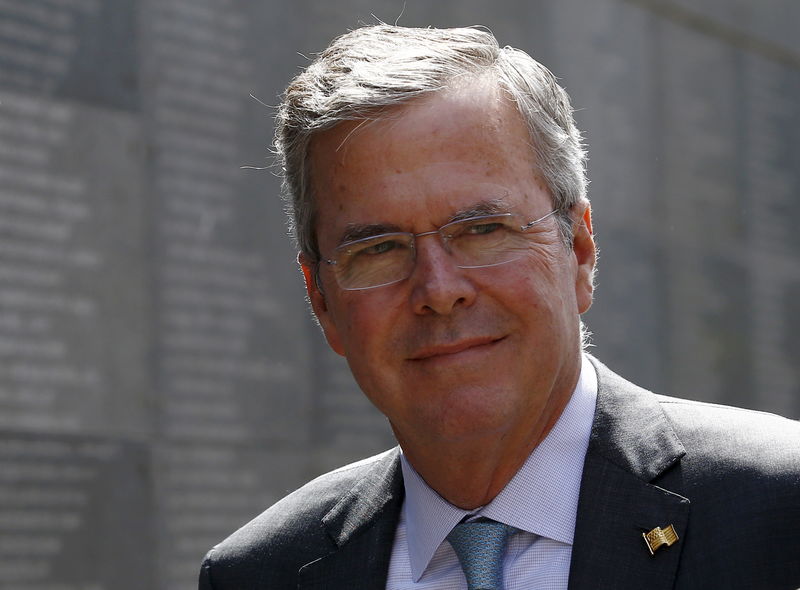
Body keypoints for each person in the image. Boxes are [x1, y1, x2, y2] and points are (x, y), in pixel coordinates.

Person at [199, 25, 800, 590]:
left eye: (483, 230)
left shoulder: (778, 509)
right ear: (322, 302)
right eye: (379, 248)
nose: (438, 289)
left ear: (581, 251)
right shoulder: (260, 574)